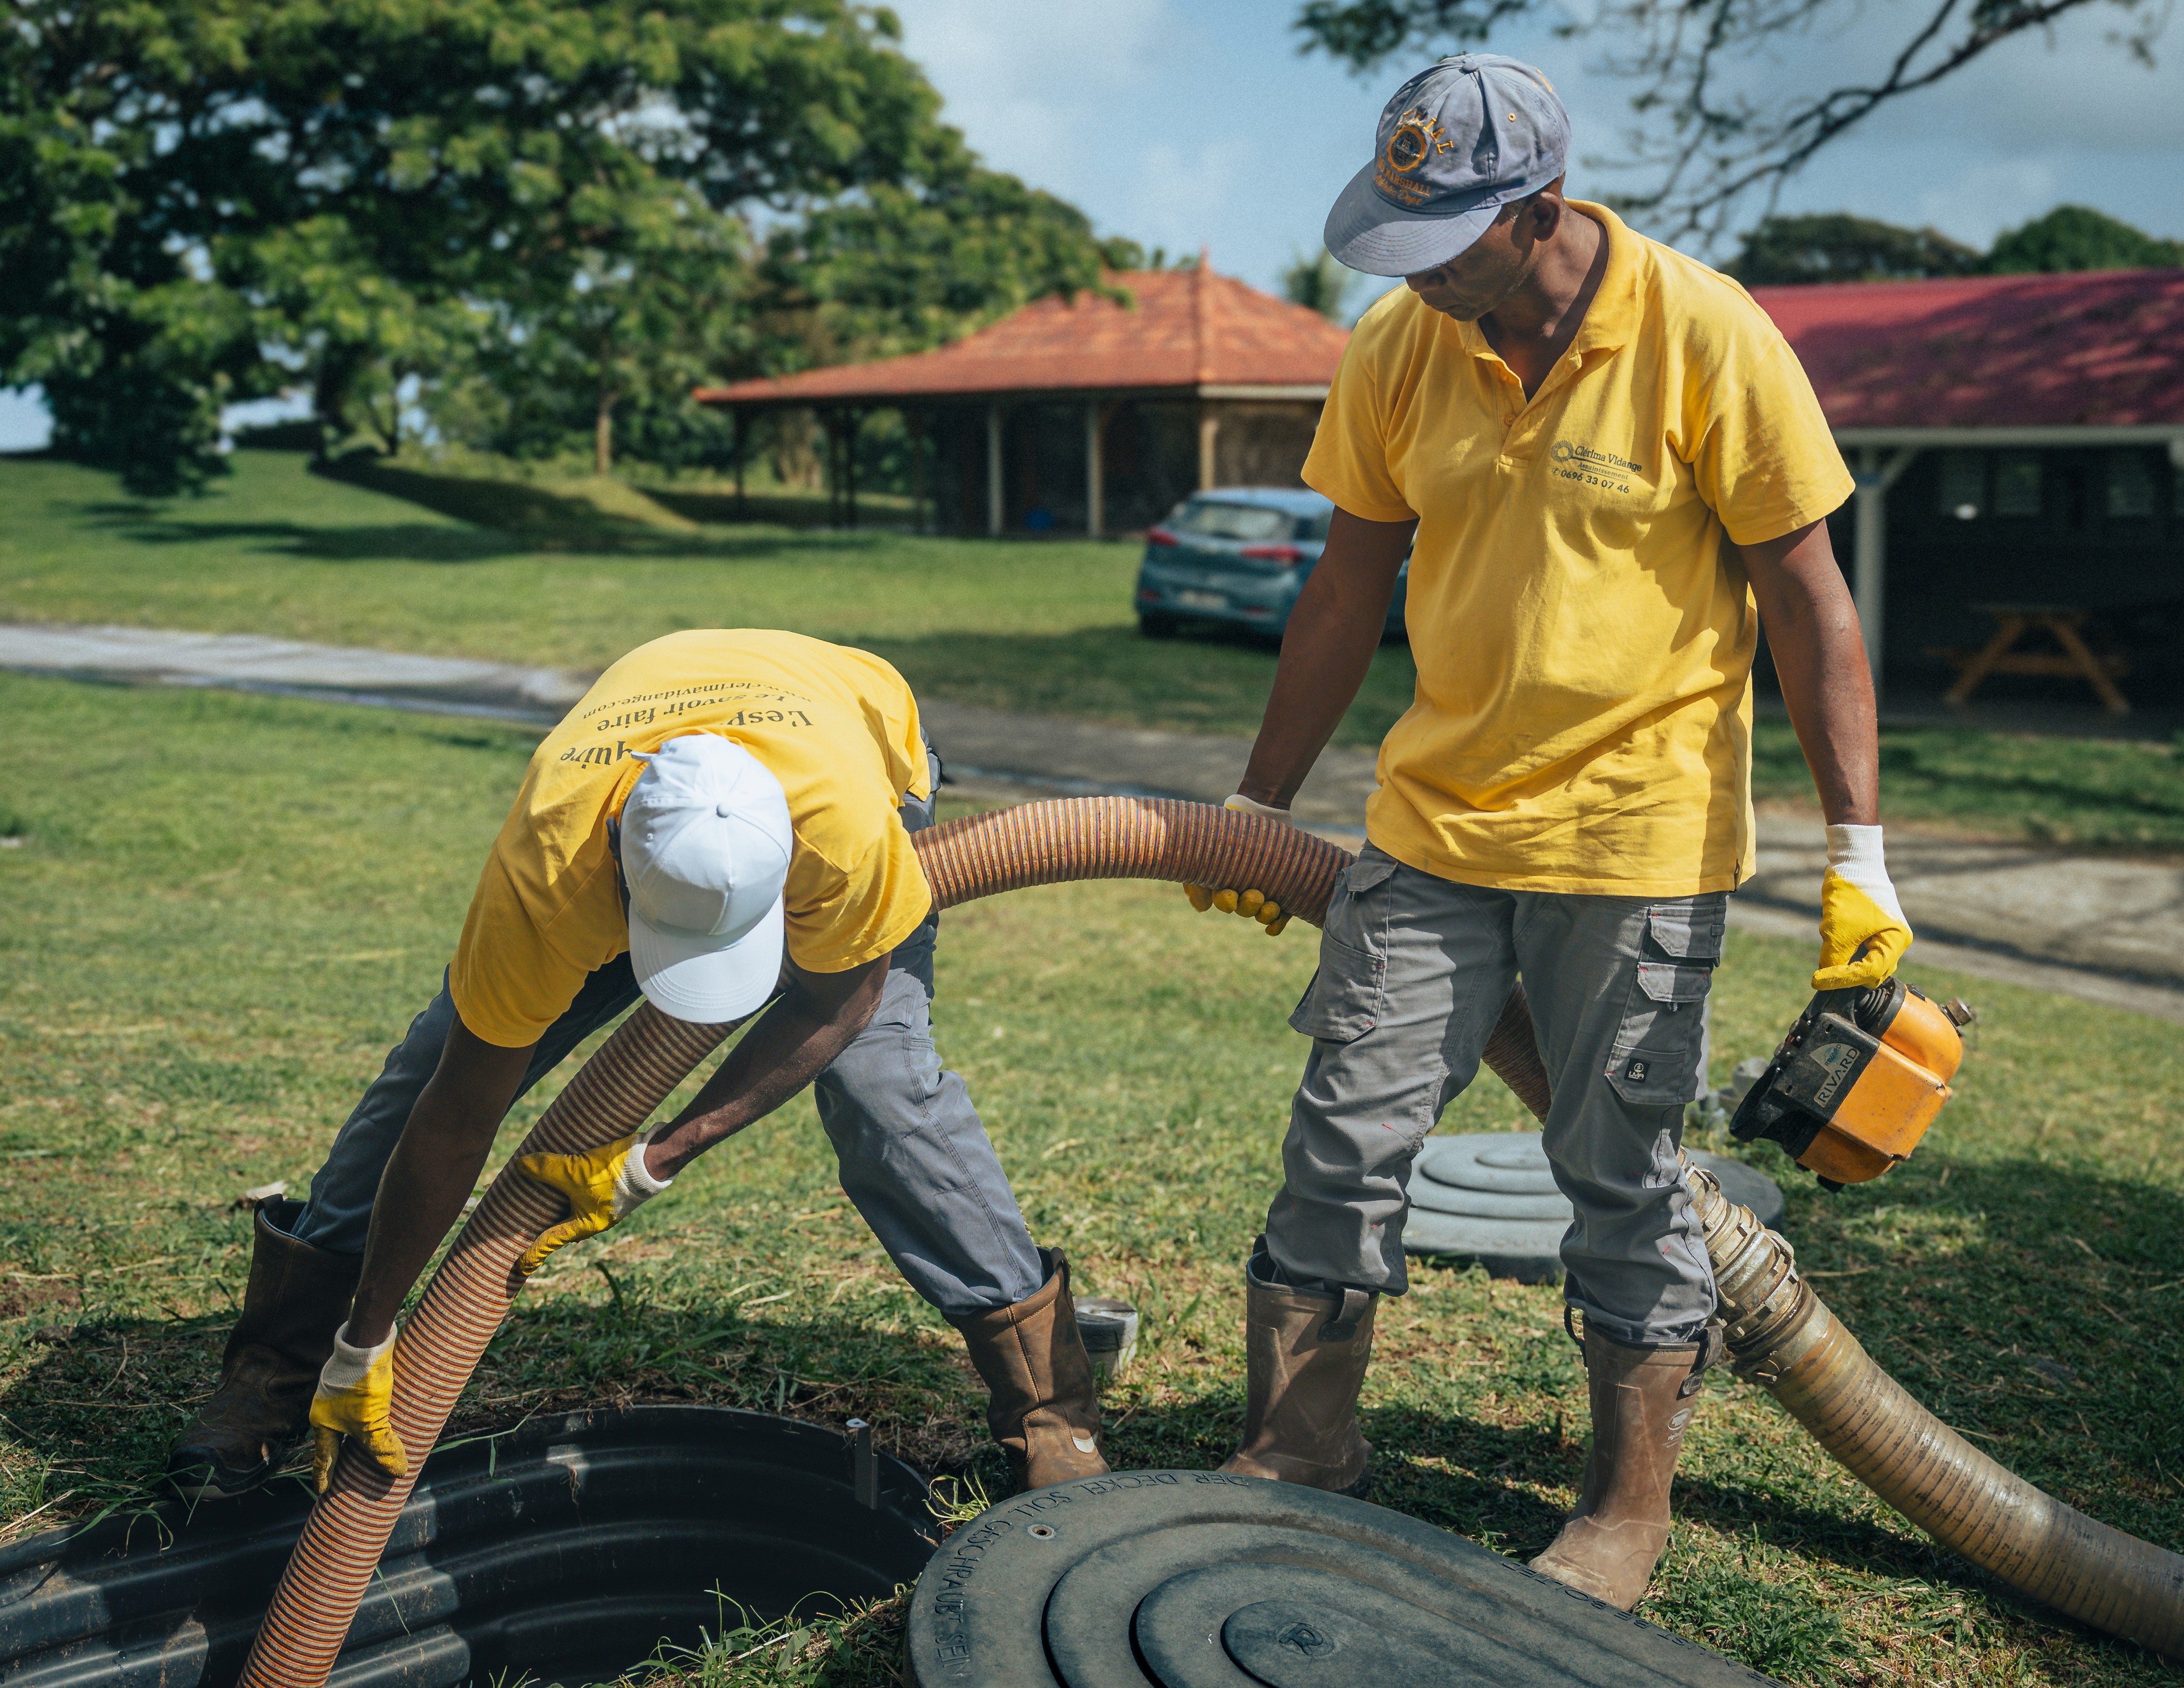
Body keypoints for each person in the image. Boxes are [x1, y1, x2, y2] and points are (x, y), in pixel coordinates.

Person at [1185, 55, 1909, 1611]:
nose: (1420, 276)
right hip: (1432, 822)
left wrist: (1858, 851)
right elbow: (1341, 586)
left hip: (1639, 832)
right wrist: (1262, 802)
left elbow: (1809, 599)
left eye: (1446, 243)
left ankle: (1624, 1501)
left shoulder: (1706, 333)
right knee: (1346, 1133)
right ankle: (1303, 1441)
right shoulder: (1403, 346)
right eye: (1399, 239)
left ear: (1543, 214)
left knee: (1621, 1166)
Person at [168, 629, 1106, 1500]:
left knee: (883, 1089)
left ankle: (1047, 1409)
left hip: (854, 728)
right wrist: (367, 1339)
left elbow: (841, 1000)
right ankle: (282, 1371)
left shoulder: (846, 836)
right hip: (659, 733)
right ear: (618, 870)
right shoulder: (552, 859)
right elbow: (454, 1121)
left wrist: (653, 1158)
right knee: (424, 1075)